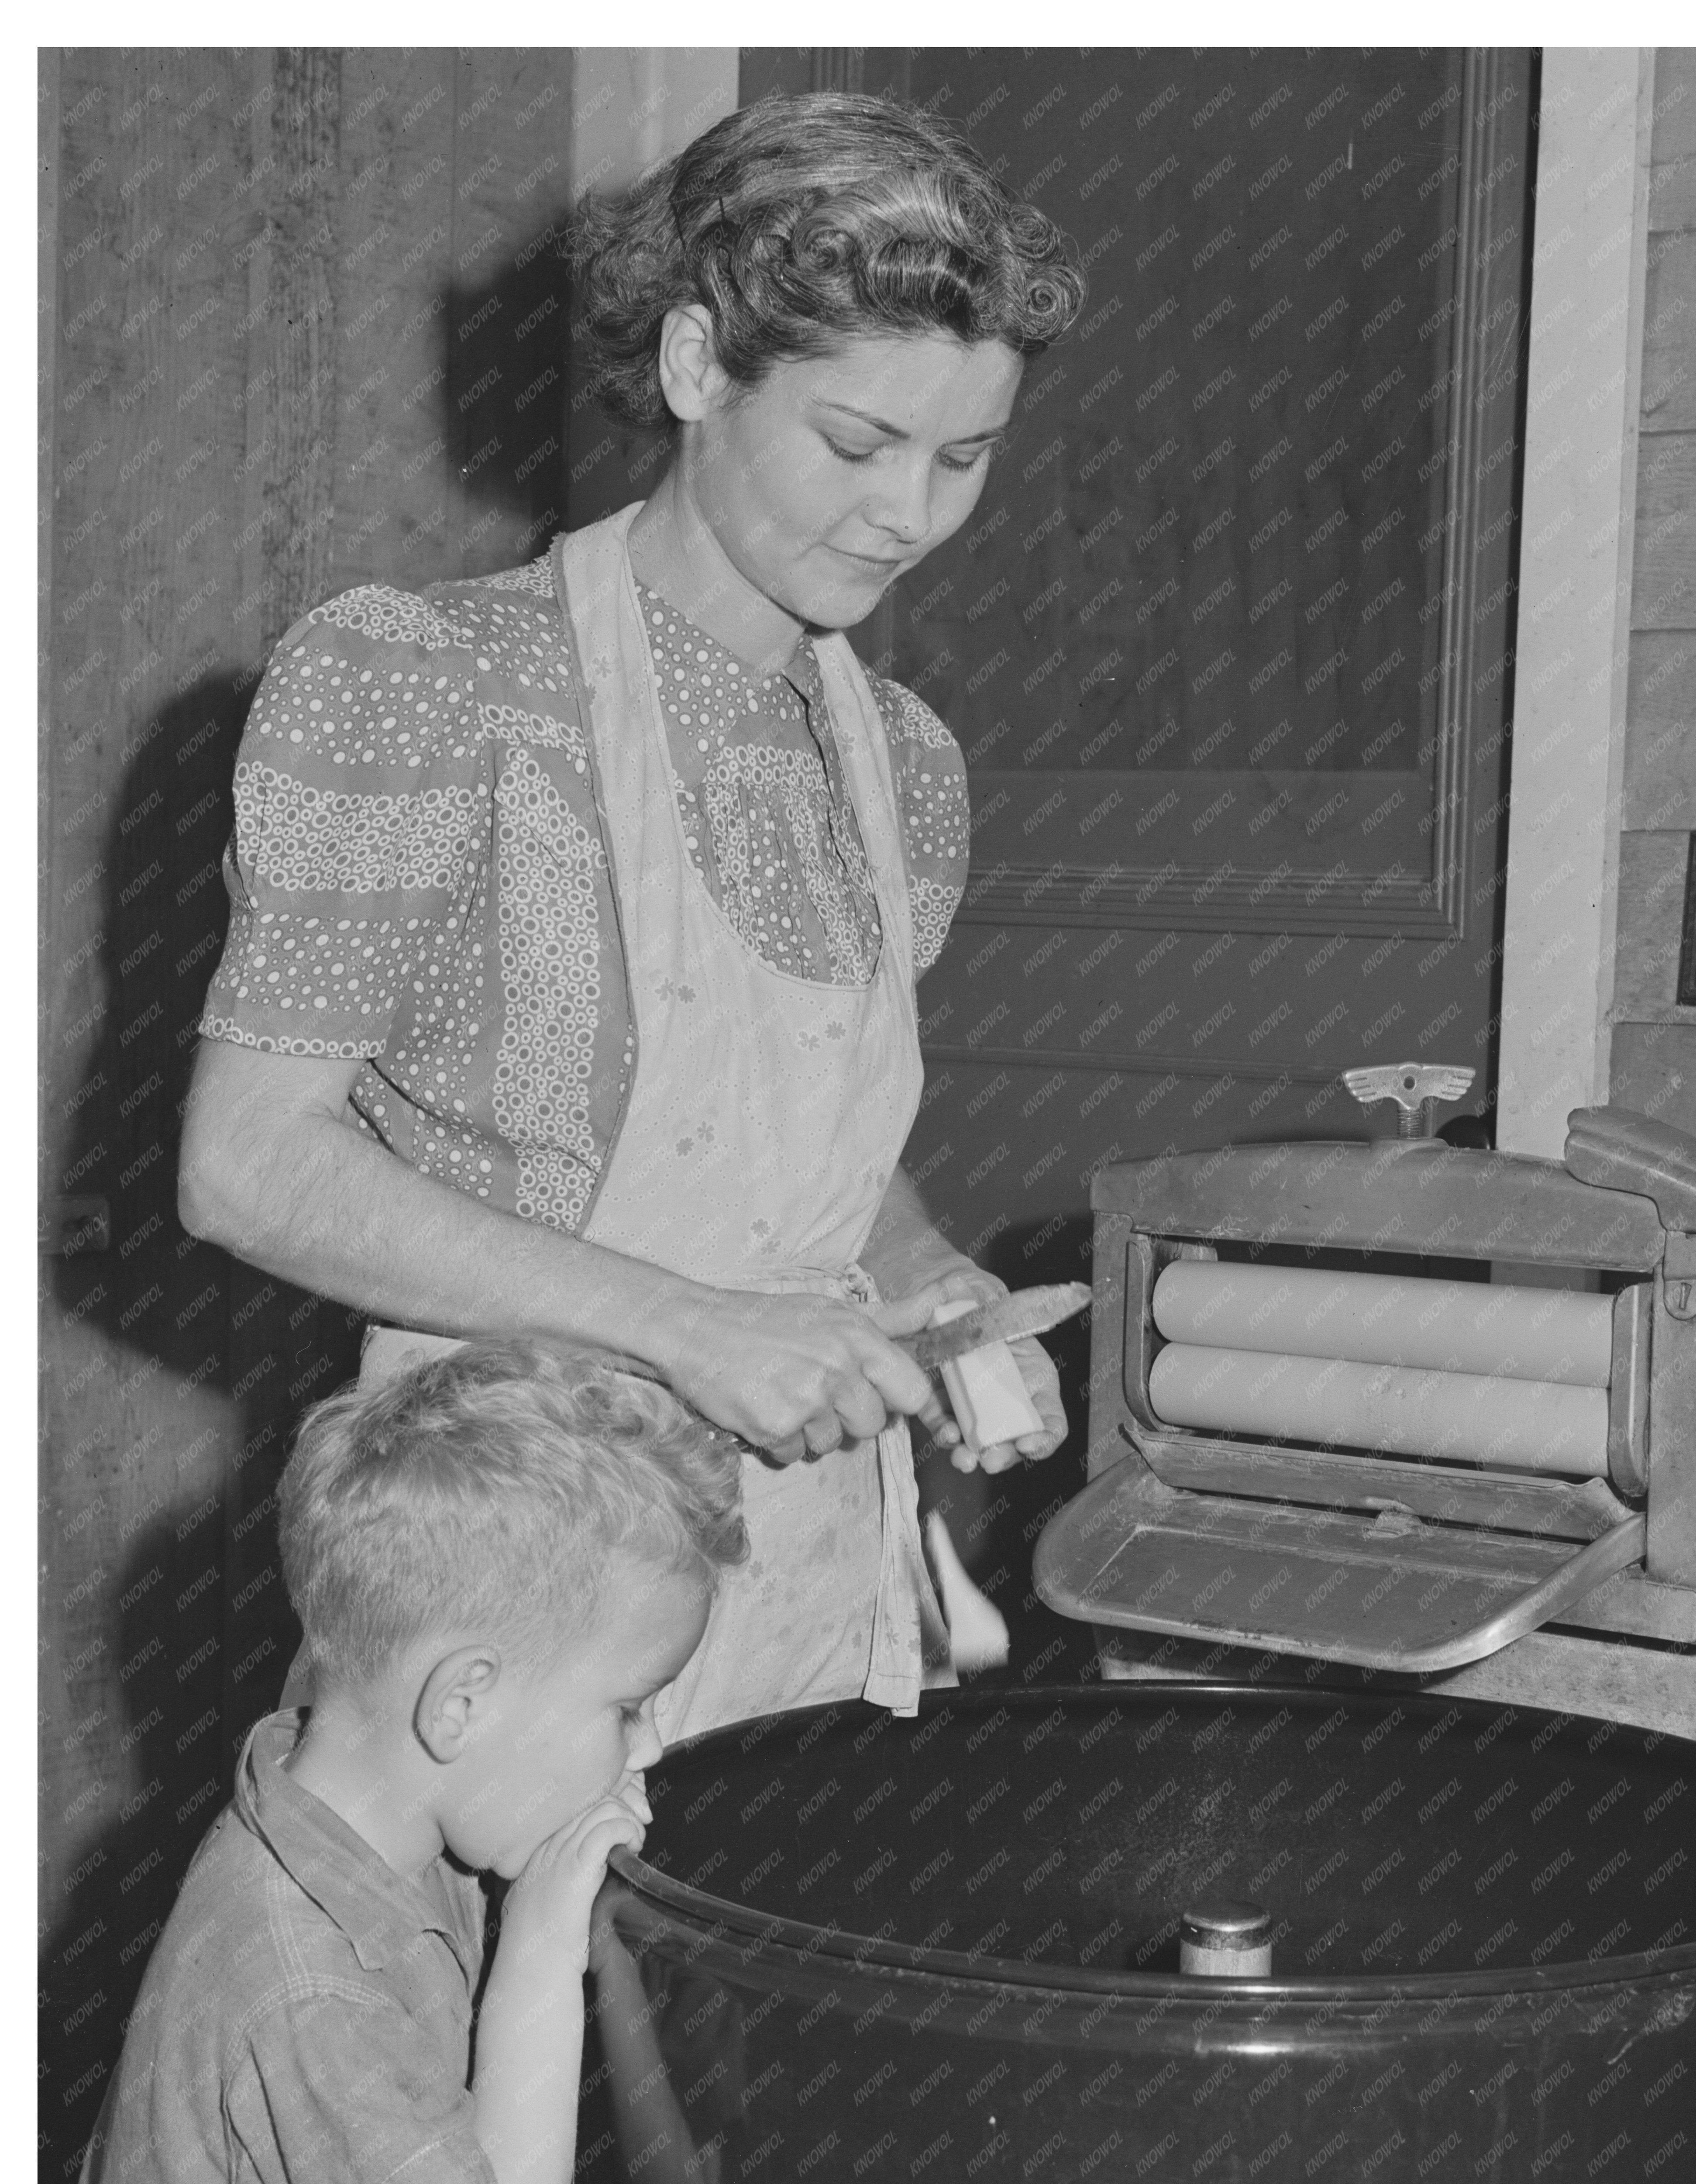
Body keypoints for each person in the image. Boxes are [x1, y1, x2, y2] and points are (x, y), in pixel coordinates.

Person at [179, 90, 1087, 1746]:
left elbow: (793, 1152)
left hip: (804, 1585)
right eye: (857, 443)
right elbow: (246, 1167)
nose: (910, 516)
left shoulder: (903, 763)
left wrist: (932, 1283)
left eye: (963, 459)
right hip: (502, 1588)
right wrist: (693, 1336)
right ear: (692, 370)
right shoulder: (426, 686)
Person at [49, 1340, 747, 2184]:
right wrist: (544, 1945)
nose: (644, 1746)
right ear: (459, 1701)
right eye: (626, 1705)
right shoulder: (302, 1979)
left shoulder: (367, 1816)